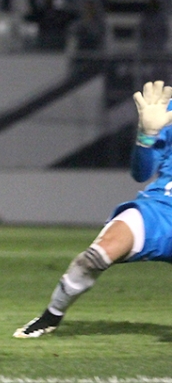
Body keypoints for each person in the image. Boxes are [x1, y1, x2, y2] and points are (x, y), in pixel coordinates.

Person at [14, 80, 172, 338]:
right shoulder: (167, 111)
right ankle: (50, 317)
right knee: (94, 257)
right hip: (161, 210)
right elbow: (141, 173)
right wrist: (146, 136)